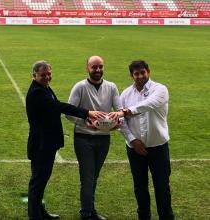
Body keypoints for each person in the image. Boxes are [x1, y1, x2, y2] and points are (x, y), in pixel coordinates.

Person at [26, 60, 105, 220]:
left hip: (45, 144)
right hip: (41, 146)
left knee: (41, 182)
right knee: (38, 182)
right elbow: (59, 106)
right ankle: (35, 216)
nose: (47, 77)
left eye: (49, 73)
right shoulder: (37, 92)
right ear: (34, 75)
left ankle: (40, 212)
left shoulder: (42, 88)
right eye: (43, 75)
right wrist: (87, 112)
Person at [111, 60, 174, 220]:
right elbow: (122, 122)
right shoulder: (125, 94)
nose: (140, 76)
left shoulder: (160, 89)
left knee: (162, 186)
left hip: (158, 147)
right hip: (134, 149)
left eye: (142, 72)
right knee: (140, 187)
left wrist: (126, 111)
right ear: (131, 76)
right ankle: (143, 216)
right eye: (136, 73)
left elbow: (149, 104)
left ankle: (166, 217)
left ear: (149, 72)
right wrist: (132, 140)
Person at [66, 55, 122, 220]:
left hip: (104, 139)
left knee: (93, 177)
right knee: (87, 177)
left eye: (100, 67)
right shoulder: (80, 87)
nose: (98, 70)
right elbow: (69, 112)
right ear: (87, 69)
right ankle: (86, 213)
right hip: (84, 138)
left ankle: (90, 209)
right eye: (94, 67)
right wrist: (86, 123)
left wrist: (117, 122)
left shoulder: (111, 87)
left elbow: (120, 110)